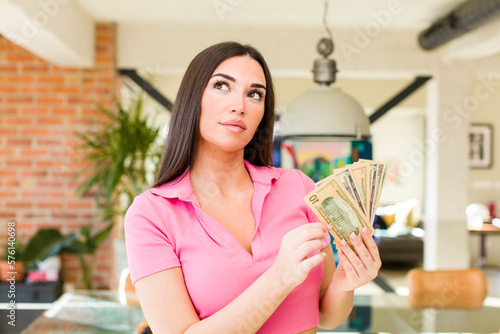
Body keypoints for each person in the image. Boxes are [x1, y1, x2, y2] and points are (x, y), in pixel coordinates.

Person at [124, 41, 381, 334]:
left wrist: (345, 283)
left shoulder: (297, 187)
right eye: (222, 86)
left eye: (254, 94)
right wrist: (279, 278)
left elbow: (326, 315)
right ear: (193, 98)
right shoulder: (151, 214)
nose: (239, 106)